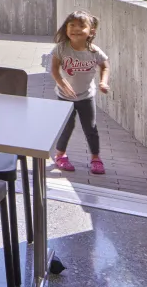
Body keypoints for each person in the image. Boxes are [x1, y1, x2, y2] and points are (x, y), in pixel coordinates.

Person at [50, 10, 111, 175]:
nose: (75, 29)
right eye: (72, 25)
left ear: (91, 31)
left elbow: (105, 66)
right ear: (66, 28)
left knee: (90, 127)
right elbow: (54, 69)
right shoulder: (61, 49)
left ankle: (96, 158)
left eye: (81, 26)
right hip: (64, 96)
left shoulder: (94, 51)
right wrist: (62, 83)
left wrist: (103, 82)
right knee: (67, 127)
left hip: (86, 96)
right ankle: (60, 155)